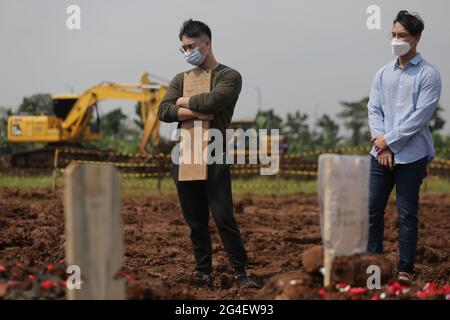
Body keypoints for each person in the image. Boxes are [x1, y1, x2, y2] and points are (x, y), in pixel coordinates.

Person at [158, 19, 259, 289]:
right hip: (185, 153)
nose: (187, 52)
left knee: (223, 216)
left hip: (215, 153)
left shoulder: (229, 76)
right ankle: (203, 272)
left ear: (207, 43)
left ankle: (241, 272)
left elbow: (213, 101)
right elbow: (163, 111)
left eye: (191, 46)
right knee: (195, 220)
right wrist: (194, 111)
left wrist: (181, 102)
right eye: (183, 48)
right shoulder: (181, 79)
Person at [367, 10, 441, 286]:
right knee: (372, 211)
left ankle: (405, 270)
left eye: (403, 36)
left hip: (412, 157)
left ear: (417, 38)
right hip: (380, 155)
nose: (397, 40)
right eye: (394, 35)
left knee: (407, 213)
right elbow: (373, 109)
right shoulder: (382, 74)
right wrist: (381, 143)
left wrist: (390, 141)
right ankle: (373, 266)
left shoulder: (428, 75)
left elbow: (419, 118)